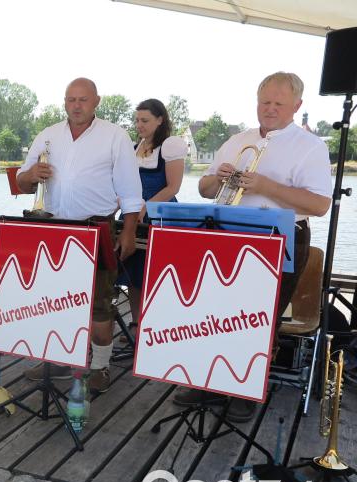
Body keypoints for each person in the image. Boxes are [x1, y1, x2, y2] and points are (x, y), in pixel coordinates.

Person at [182, 71, 332, 421]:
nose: (270, 108)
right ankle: (208, 380)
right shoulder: (239, 139)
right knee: (215, 311)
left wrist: (266, 186)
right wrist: (216, 179)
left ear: (297, 105)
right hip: (228, 232)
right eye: (265, 101)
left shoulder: (311, 146)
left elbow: (319, 205)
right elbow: (204, 189)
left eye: (279, 103)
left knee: (260, 319)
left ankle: (245, 388)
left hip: (281, 236)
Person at [16, 78, 144, 393]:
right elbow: (21, 182)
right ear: (64, 101)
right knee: (53, 300)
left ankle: (100, 366)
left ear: (96, 101)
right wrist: (30, 175)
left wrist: (128, 231)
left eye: (83, 99)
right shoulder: (47, 134)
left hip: (96, 226)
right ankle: (59, 360)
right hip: (53, 227)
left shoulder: (115, 135)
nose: (76, 105)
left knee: (99, 302)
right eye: (71, 99)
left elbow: (130, 190)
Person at [118, 99, 187, 329]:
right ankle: (136, 324)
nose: (139, 125)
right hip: (132, 215)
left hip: (160, 215)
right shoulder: (134, 148)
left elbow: (173, 187)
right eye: (137, 120)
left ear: (160, 120)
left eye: (145, 120)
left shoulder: (170, 146)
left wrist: (145, 207)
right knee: (133, 274)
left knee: (158, 274)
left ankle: (159, 326)